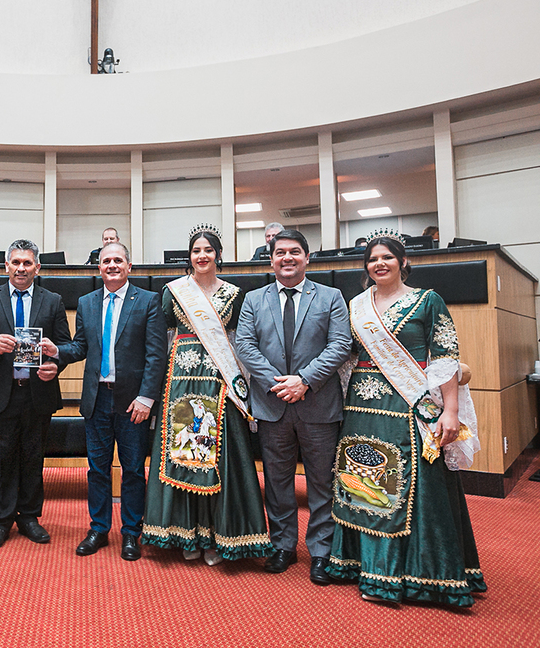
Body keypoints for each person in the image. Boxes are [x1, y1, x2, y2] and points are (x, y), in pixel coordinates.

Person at [326, 230, 485, 606]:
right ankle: (364, 566)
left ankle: (420, 573)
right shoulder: (356, 306)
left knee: (413, 482)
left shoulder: (427, 302)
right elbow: (345, 356)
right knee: (363, 479)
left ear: (403, 262)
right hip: (362, 408)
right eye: (372, 259)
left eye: (387, 258)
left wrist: (450, 411)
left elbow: (445, 358)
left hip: (409, 404)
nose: (379, 264)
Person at [141, 224, 273, 565]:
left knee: (220, 458)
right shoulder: (173, 292)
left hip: (220, 381)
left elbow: (239, 341)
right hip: (181, 381)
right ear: (190, 257)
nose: (202, 256)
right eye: (196, 251)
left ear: (218, 256)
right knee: (183, 454)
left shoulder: (234, 294)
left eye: (208, 251)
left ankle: (219, 535)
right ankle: (186, 533)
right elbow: (164, 337)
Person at [235, 228, 350, 585]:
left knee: (321, 482)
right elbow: (245, 345)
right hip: (272, 405)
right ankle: (282, 544)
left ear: (307, 258)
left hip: (318, 403)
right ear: (270, 259)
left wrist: (303, 380)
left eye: (295, 252)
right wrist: (279, 383)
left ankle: (321, 551)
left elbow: (340, 344)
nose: (287, 258)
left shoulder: (331, 296)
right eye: (280, 252)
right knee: (278, 481)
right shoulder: (253, 299)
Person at [44, 242, 167, 561]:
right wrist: (58, 352)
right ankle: (98, 528)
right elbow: (80, 347)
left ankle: (131, 533)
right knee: (97, 469)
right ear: (98, 267)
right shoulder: (86, 302)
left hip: (132, 404)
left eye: (118, 260)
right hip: (96, 401)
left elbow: (156, 355)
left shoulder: (149, 301)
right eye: (106, 261)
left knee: (133, 470)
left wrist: (146, 398)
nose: (111, 265)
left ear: (129, 266)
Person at [0, 239, 71, 551]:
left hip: (37, 392)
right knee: (0, 459)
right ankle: (0, 521)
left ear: (37, 267)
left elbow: (66, 346)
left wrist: (55, 363)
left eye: (27, 263)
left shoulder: (52, 301)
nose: (21, 268)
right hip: (1, 392)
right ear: (6, 266)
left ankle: (29, 517)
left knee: (32, 457)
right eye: (16, 263)